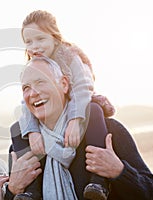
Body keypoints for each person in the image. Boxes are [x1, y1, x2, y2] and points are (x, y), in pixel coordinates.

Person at [10, 57, 153, 200]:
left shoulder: (107, 131)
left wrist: (119, 171)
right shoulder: (22, 145)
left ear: (64, 84)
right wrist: (12, 189)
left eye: (41, 82)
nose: (33, 93)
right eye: (26, 88)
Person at [17, 10, 113, 200]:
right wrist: (33, 131)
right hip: (51, 115)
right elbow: (26, 100)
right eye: (28, 42)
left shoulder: (69, 56)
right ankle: (32, 190)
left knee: (94, 110)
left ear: (54, 37)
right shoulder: (33, 64)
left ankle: (99, 181)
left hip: (79, 104)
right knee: (17, 129)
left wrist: (75, 120)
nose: (34, 46)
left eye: (40, 39)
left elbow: (83, 87)